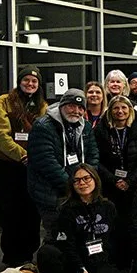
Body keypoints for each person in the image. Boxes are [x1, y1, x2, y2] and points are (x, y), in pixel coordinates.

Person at [35, 164, 131, 273]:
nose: (82, 183)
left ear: (95, 180)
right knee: (47, 252)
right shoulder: (66, 210)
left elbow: (116, 239)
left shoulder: (108, 206)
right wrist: (81, 271)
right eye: (77, 180)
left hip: (99, 259)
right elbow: (67, 245)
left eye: (87, 178)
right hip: (75, 260)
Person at [0, 64, 48, 267]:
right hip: (8, 166)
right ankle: (12, 256)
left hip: (32, 166)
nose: (30, 84)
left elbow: (45, 133)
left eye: (34, 81)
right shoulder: (3, 102)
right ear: (19, 81)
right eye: (26, 80)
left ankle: (29, 255)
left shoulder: (42, 106)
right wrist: (22, 155)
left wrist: (36, 156)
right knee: (10, 211)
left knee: (32, 211)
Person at [26, 88, 99, 235]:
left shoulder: (85, 127)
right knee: (58, 234)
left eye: (80, 108)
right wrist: (74, 185)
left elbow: (93, 155)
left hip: (78, 191)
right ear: (62, 106)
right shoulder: (43, 126)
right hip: (51, 194)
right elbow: (46, 162)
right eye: (71, 106)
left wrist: (87, 181)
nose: (76, 111)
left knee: (79, 234)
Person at [93, 94, 137, 244]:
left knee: (131, 224)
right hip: (109, 185)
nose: (120, 111)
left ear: (130, 110)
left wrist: (129, 181)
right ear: (110, 111)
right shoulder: (100, 130)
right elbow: (95, 159)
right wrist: (114, 180)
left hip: (134, 185)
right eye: (116, 108)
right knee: (111, 224)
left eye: (124, 107)